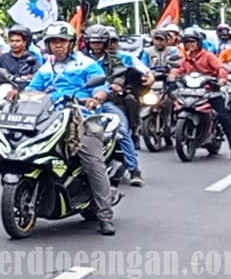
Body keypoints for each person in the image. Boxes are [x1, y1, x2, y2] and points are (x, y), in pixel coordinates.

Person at [17, 21, 117, 235]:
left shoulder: (86, 63)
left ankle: (105, 215)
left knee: (92, 160)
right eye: (53, 42)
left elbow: (101, 87)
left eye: (61, 42)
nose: (57, 46)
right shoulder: (47, 66)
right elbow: (33, 89)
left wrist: (95, 99)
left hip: (82, 118)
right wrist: (18, 96)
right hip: (50, 117)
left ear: (71, 43)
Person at [82, 25, 149, 187]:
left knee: (121, 130)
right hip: (82, 101)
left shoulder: (115, 59)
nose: (96, 45)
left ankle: (134, 170)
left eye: (99, 42)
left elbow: (120, 75)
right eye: (93, 42)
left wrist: (115, 85)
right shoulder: (80, 60)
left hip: (107, 101)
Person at [172, 27, 231, 161]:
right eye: (186, 42)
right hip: (191, 92)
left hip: (210, 90)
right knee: (176, 105)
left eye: (192, 41)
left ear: (198, 42)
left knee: (223, 116)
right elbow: (178, 70)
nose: (189, 44)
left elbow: (221, 68)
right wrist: (172, 75)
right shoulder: (185, 59)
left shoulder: (208, 56)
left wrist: (221, 79)